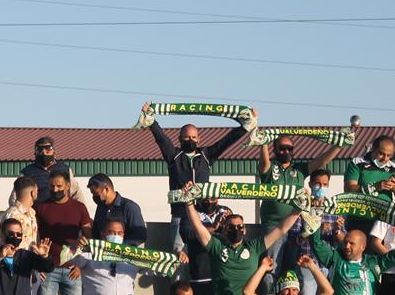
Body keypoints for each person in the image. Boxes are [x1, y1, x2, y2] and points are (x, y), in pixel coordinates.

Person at [142, 101, 251, 250]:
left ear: (199, 139)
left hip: (202, 218)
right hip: (180, 215)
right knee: (179, 259)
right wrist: (151, 121)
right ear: (179, 139)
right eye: (187, 137)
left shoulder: (206, 155)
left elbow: (227, 141)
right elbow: (161, 139)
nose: (191, 140)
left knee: (201, 257)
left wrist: (245, 127)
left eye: (194, 137)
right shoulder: (174, 155)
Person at [256, 129, 344, 280]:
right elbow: (264, 165)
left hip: (295, 226)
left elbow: (322, 161)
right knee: (271, 269)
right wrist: (263, 143)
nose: (286, 151)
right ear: (275, 149)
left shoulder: (299, 169)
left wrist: (340, 145)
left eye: (290, 148)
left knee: (291, 270)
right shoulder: (271, 168)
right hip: (274, 226)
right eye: (282, 148)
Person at [35, 170, 92, 295]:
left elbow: (89, 238)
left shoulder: (79, 207)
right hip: (48, 270)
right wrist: (38, 266)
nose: (55, 189)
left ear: (68, 186)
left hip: (72, 270)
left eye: (59, 186)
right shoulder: (41, 207)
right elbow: (33, 237)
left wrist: (81, 265)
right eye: (52, 186)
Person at [343, 135, 395, 232]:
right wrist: (374, 187)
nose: (385, 158)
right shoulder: (357, 163)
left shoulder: (394, 168)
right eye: (381, 153)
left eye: (389, 155)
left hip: (383, 220)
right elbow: (348, 189)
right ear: (373, 149)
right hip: (359, 218)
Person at [19, 136, 84, 204]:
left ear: (54, 152)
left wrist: (81, 211)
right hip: (38, 213)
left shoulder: (65, 169)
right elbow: (16, 197)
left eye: (48, 148)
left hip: (63, 211)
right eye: (40, 149)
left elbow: (76, 193)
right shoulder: (27, 172)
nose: (44, 152)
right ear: (35, 153)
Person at [87, 173, 147, 245]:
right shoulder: (101, 207)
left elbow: (140, 236)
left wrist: (120, 247)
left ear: (106, 189)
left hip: (126, 254)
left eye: (96, 193)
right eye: (92, 194)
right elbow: (96, 233)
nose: (94, 197)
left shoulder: (129, 207)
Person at [4, 175, 40, 248]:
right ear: (33, 193)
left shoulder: (31, 213)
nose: (37, 193)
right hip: (17, 258)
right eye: (37, 191)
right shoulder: (13, 215)